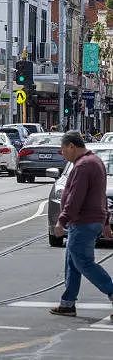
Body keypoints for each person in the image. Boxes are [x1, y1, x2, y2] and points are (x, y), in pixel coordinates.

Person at [50, 130, 113, 318]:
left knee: (84, 262)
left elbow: (75, 198)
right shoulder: (95, 162)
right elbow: (100, 196)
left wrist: (61, 221)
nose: (62, 154)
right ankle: (67, 303)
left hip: (84, 222)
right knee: (72, 262)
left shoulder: (83, 166)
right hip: (91, 220)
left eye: (63, 149)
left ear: (71, 146)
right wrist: (107, 222)